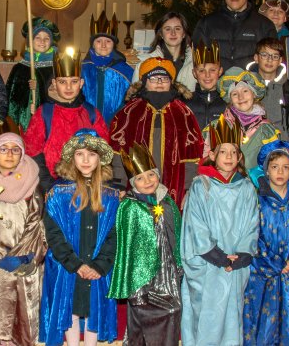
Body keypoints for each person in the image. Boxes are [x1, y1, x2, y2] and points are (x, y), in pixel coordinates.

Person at [179, 117, 259, 346]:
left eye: (234, 152)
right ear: (212, 155)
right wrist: (218, 257)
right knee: (204, 317)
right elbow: (195, 225)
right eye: (223, 152)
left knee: (231, 318)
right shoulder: (201, 185)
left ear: (240, 157)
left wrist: (241, 255)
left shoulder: (246, 187)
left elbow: (252, 223)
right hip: (208, 265)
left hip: (234, 265)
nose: (229, 157)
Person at [40, 129, 119, 346]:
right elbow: (53, 234)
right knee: (70, 310)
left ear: (100, 159)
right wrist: (74, 264)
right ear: (71, 157)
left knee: (93, 310)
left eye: (92, 154)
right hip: (68, 267)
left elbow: (113, 234)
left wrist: (99, 266)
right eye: (80, 154)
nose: (86, 160)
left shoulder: (110, 196)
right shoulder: (59, 193)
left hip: (97, 268)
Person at [108, 143, 183, 346]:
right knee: (148, 328)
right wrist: (136, 290)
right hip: (144, 285)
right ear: (133, 183)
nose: (147, 181)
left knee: (171, 319)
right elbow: (128, 250)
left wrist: (179, 267)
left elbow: (176, 236)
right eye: (140, 178)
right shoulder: (130, 207)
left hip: (168, 279)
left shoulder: (166, 201)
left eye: (151, 175)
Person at [242, 141, 289, 346]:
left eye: (285, 167)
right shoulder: (257, 199)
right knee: (261, 325)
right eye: (275, 167)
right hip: (264, 274)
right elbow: (252, 235)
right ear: (266, 171)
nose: (280, 172)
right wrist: (276, 263)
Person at [0, 133, 47, 346]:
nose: (9, 154)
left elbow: (37, 225)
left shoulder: (33, 184)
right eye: (3, 149)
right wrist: (0, 257)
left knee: (27, 325)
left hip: (27, 264)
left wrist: (26, 257)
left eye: (15, 149)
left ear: (22, 154)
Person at [110, 58, 204, 205]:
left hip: (174, 183)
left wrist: (188, 188)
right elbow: (118, 150)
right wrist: (119, 183)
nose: (160, 82)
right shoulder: (130, 112)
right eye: (153, 78)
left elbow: (191, 154)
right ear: (144, 82)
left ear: (172, 83)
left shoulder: (183, 113)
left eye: (165, 78)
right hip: (138, 184)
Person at [23, 48, 109, 193]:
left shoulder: (91, 113)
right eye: (63, 82)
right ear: (54, 83)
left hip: (88, 185)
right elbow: (33, 152)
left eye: (74, 81)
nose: (69, 87)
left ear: (81, 83)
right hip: (53, 186)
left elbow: (104, 151)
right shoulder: (44, 113)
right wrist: (48, 185)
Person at [192, 0, 276, 71]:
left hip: (252, 86)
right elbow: (200, 66)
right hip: (217, 86)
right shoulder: (207, 24)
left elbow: (272, 65)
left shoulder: (264, 26)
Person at [207, 67, 281, 171]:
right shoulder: (218, 127)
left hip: (256, 185)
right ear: (230, 99)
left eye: (245, 91)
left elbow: (274, 166)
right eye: (235, 94)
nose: (240, 97)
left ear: (254, 94)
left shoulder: (267, 130)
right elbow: (206, 163)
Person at [6, 17, 60, 129]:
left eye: (46, 38)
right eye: (37, 38)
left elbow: (61, 94)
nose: (42, 41)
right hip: (24, 120)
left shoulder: (56, 68)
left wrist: (39, 88)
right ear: (29, 41)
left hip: (48, 119)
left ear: (51, 41)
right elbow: (12, 98)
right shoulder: (20, 67)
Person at [82, 10, 134, 123]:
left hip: (115, 124)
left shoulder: (125, 71)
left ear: (114, 44)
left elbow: (131, 101)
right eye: (99, 41)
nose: (103, 45)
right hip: (87, 123)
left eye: (108, 41)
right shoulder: (82, 69)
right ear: (93, 44)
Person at [248, 37, 289, 133]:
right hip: (252, 143)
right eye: (264, 55)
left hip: (281, 144)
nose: (270, 60)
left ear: (280, 60)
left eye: (275, 56)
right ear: (256, 58)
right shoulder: (245, 86)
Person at [131, 11, 198, 89]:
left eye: (177, 28)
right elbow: (136, 97)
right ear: (161, 34)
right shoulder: (145, 63)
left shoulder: (196, 62)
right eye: (167, 29)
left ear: (183, 34)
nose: (173, 33)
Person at [258, 0, 289, 84]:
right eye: (271, 10)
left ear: (285, 18)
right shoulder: (256, 37)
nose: (276, 14)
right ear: (264, 15)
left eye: (280, 11)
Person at [185, 42, 227, 129]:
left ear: (220, 71)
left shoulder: (228, 103)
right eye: (201, 71)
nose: (207, 75)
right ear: (194, 73)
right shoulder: (184, 103)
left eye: (212, 70)